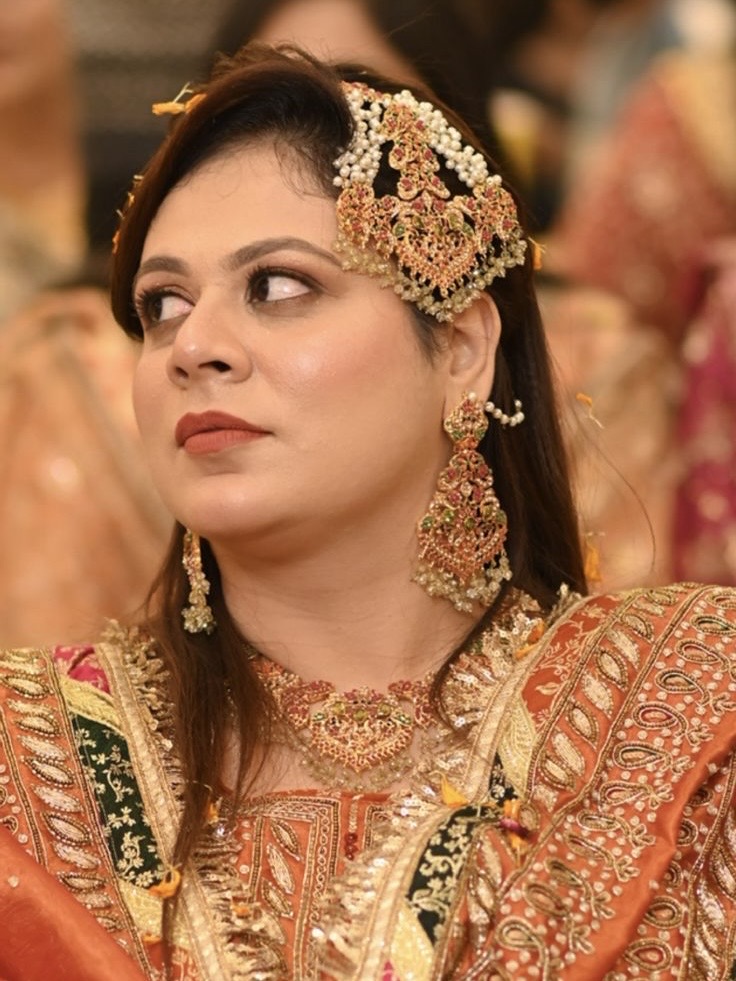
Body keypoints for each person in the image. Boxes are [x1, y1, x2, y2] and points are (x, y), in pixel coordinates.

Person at [0, 42, 735, 980]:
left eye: (278, 286)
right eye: (163, 305)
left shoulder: (694, 713)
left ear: (462, 348)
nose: (194, 346)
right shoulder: (27, 763)